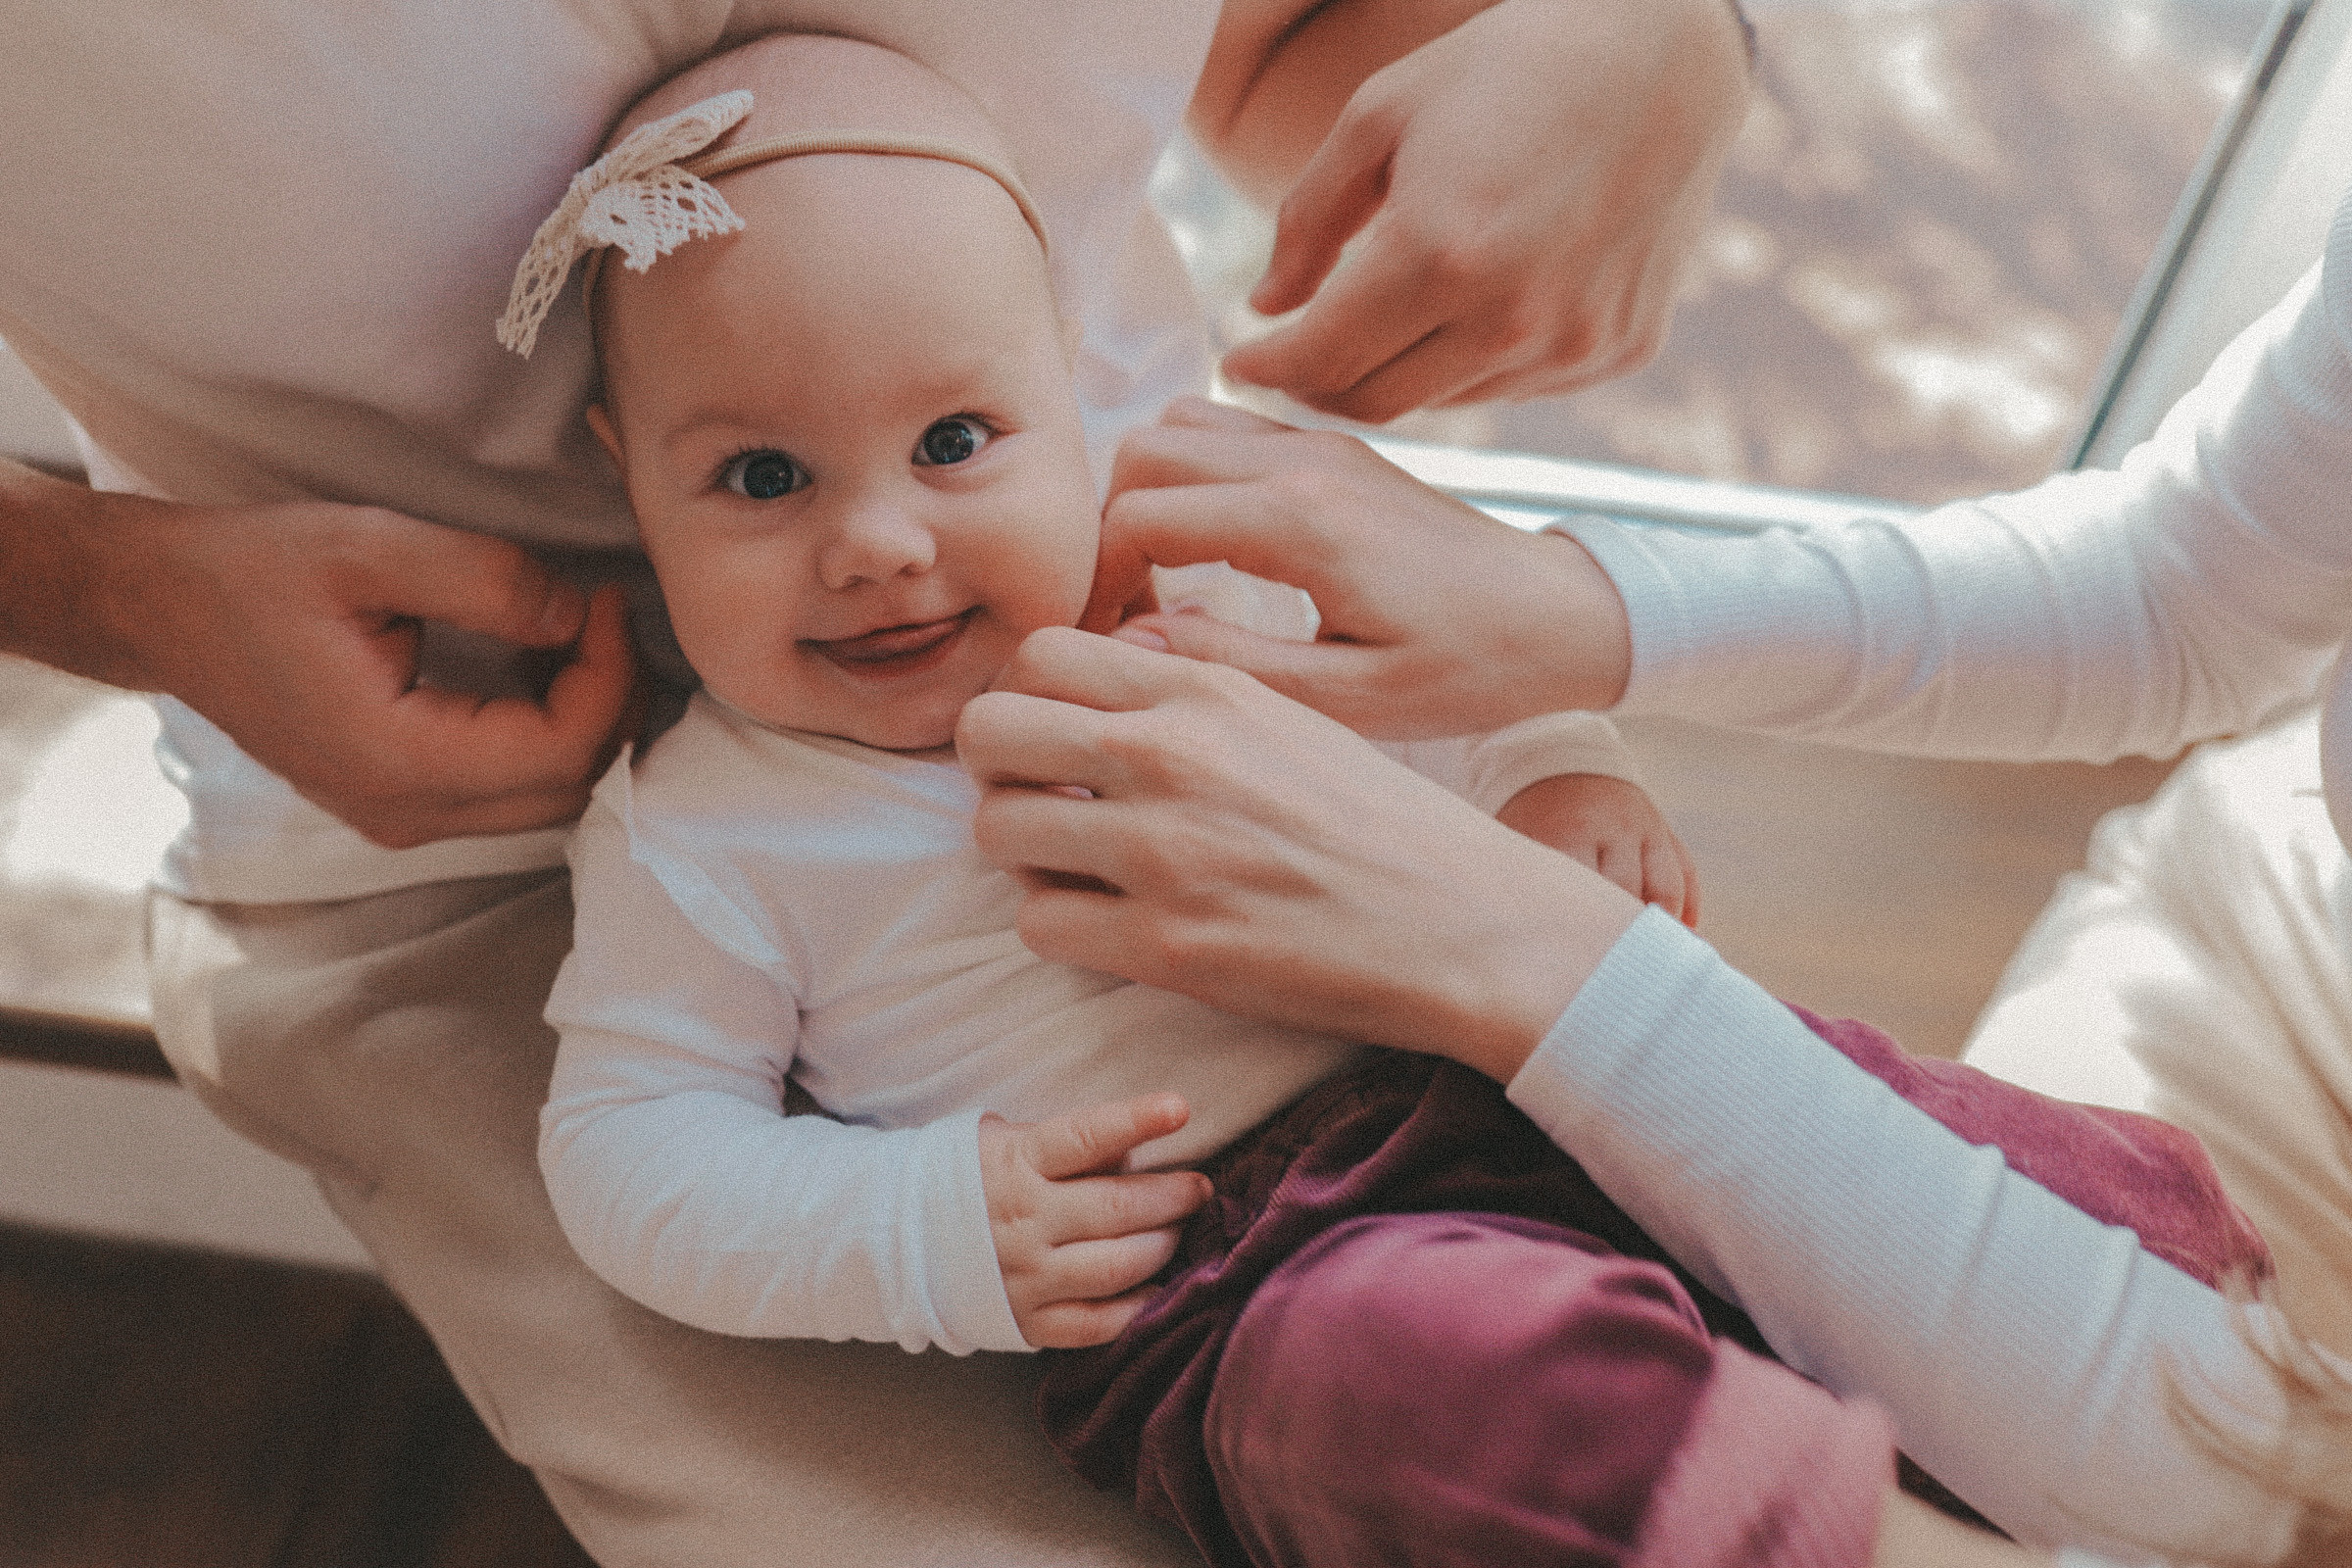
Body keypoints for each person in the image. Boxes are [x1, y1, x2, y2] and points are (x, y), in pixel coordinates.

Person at [0, 1, 1758, 1562]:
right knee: (1474, 1412)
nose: (879, 550)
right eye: (763, 474)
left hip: (1497, 1074)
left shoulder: (1211, 599)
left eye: (953, 444)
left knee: (1871, 1203)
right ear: (633, 474)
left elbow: (1453, 683)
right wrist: (99, 577)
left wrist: (1645, 38)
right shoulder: (702, 849)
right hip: (457, 846)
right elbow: (641, 1151)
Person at [956, 177, 2352, 1563]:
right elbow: (2188, 590)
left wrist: (1536, 952)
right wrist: (1575, 611)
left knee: (1424, 1373)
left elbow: (2277, 1497)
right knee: (2067, 1185)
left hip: (2236, 1422)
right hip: (2268, 949)